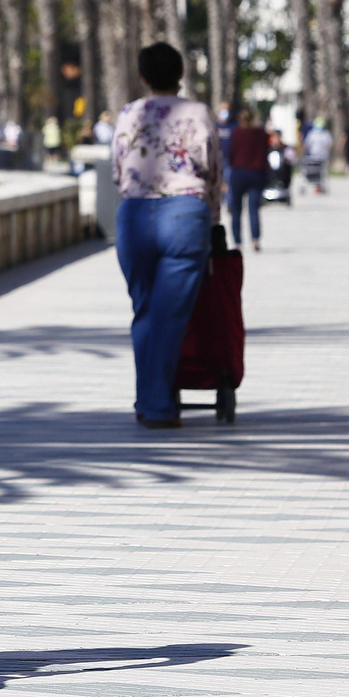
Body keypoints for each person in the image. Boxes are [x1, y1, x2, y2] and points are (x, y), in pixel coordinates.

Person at [111, 43, 223, 430]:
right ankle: (157, 405)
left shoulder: (129, 113)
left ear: (143, 77)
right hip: (184, 214)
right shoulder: (199, 113)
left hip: (135, 215)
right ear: (181, 74)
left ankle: (148, 400)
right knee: (170, 315)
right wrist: (213, 220)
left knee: (144, 309)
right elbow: (212, 169)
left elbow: (118, 168)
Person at [226, 108, 269, 251]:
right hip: (256, 174)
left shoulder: (236, 133)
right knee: (254, 209)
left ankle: (237, 242)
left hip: (238, 173)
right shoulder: (262, 134)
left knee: (236, 209)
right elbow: (265, 153)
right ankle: (255, 239)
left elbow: (231, 154)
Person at [302, 117, 332, 194]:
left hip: (316, 157)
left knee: (318, 172)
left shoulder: (313, 133)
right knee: (319, 172)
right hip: (318, 157)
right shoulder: (325, 134)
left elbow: (306, 145)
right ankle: (318, 186)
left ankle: (318, 187)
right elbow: (328, 146)